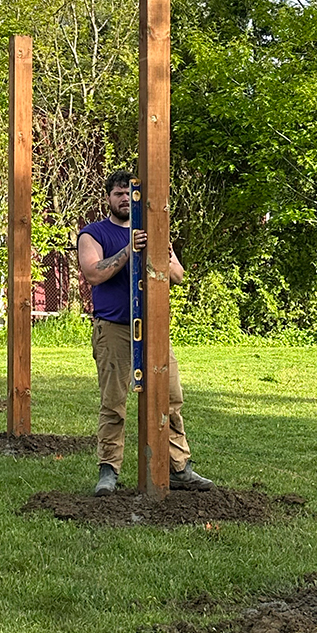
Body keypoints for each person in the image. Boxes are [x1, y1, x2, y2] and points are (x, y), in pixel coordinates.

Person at [77, 169, 215, 497]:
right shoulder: (92, 234)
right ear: (108, 199)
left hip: (154, 331)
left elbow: (179, 276)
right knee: (114, 403)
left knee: (170, 398)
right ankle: (108, 471)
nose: (125, 199)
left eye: (129, 194)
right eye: (118, 194)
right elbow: (94, 274)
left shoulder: (155, 231)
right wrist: (129, 249)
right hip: (114, 330)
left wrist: (160, 253)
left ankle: (179, 468)